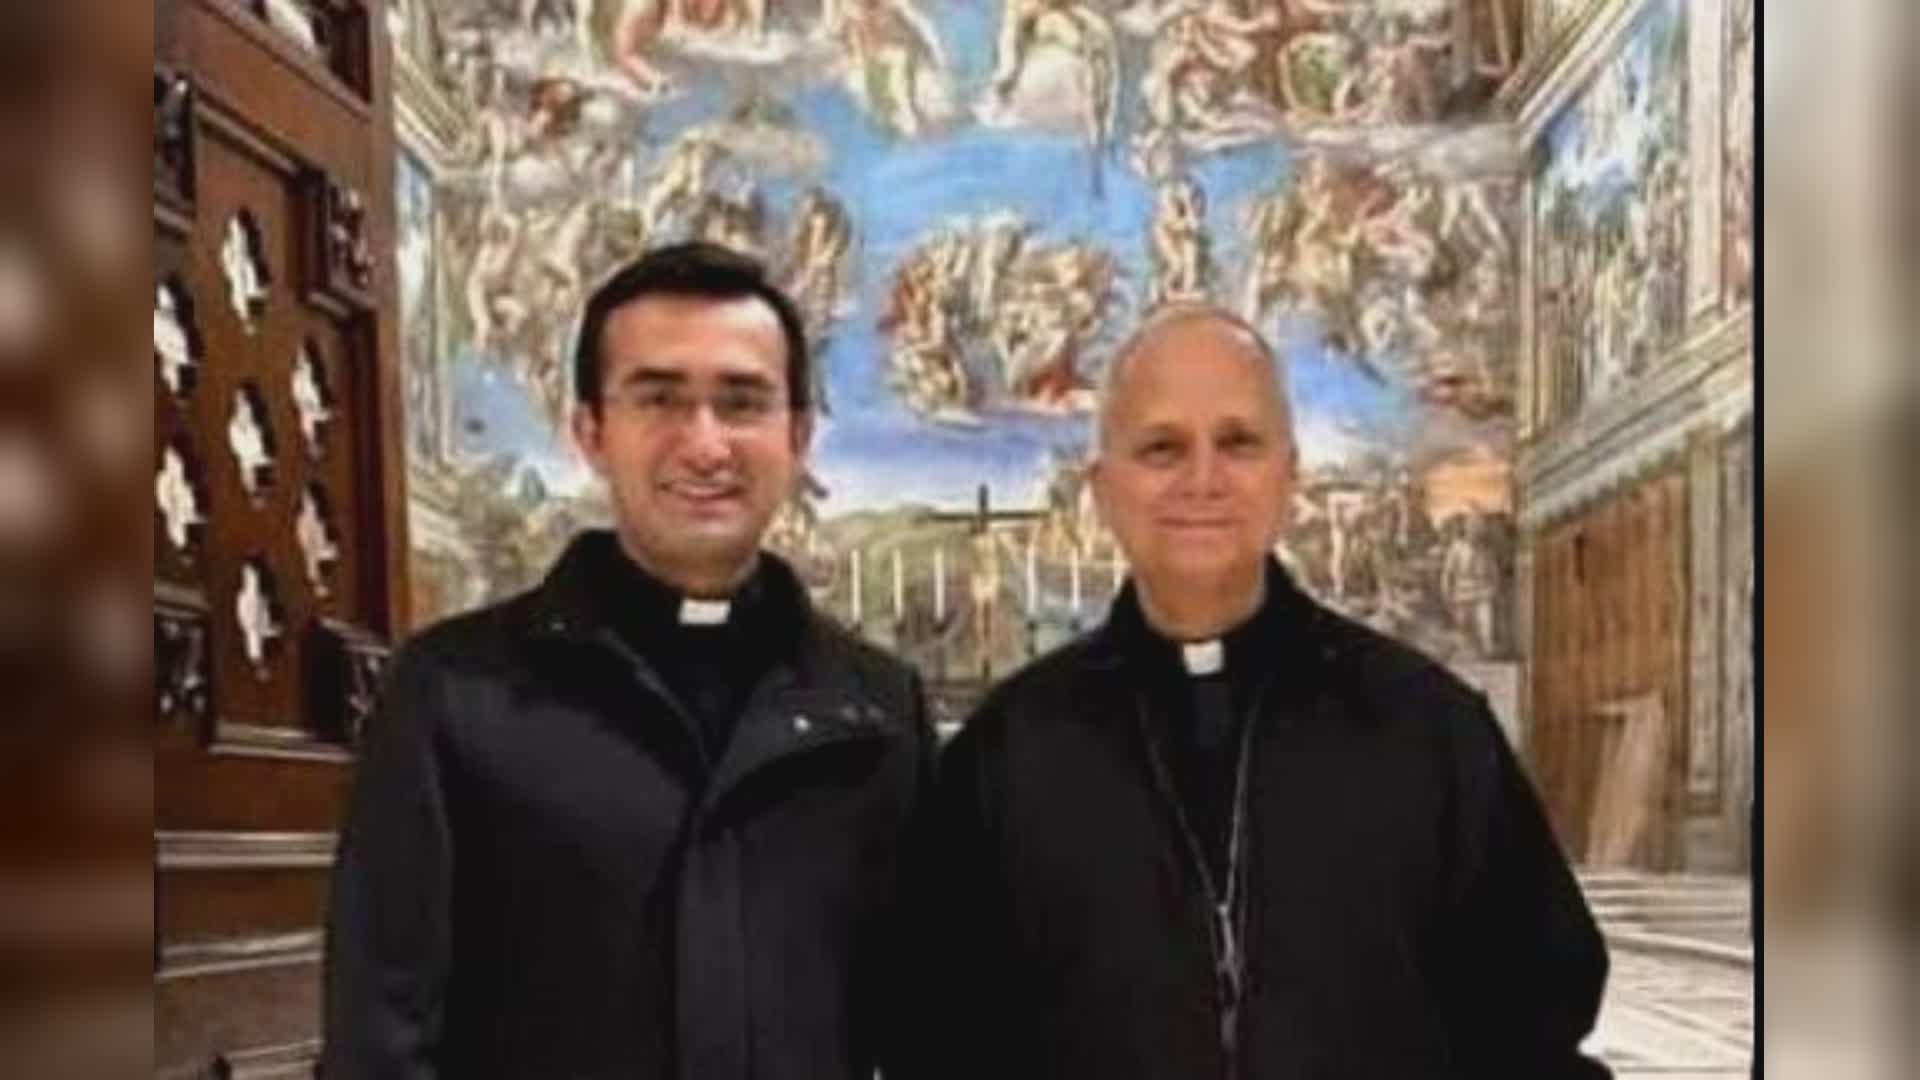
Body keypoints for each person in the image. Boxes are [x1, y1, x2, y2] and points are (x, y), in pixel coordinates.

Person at [910, 303, 1610, 1078]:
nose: (1202, 480)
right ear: (1102, 489)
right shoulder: (1005, 757)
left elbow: (1535, 1040)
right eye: (1162, 448)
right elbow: (945, 1051)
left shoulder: (1430, 734)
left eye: (1238, 442)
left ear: (1289, 476)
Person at [323, 243, 936, 1079]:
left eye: (742, 402)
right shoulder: (453, 694)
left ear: (797, 436)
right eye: (659, 399)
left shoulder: (876, 712)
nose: (705, 444)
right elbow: (382, 1037)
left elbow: (922, 1023)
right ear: (591, 432)